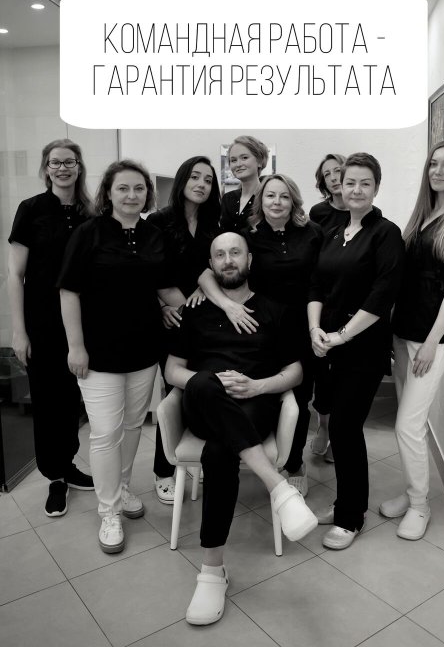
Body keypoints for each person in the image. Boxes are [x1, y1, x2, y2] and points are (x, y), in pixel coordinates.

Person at [166, 232, 318, 626]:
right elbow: (172, 370)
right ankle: (278, 487)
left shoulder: (275, 310)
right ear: (211, 265)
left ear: (249, 259)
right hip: (203, 405)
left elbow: (296, 371)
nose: (228, 260)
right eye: (220, 255)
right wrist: (211, 383)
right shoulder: (195, 311)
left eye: (235, 252)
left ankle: (212, 571)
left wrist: (257, 386)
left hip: (255, 406)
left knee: (220, 450)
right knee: (203, 382)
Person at [58, 159, 173, 554]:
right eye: (123, 188)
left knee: (132, 426)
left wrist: (215, 306)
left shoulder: (153, 234)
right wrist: (76, 346)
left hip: (143, 350)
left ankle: (122, 488)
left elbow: (164, 287)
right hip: (98, 353)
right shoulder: (88, 233)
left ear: (148, 194)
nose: (131, 195)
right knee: (105, 432)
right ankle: (108, 511)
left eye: (139, 188)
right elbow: (69, 292)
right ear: (108, 192)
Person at [380, 139, 444, 540]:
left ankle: (420, 505)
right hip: (403, 330)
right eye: (433, 164)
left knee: (408, 424)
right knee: (408, 424)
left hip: (433, 337)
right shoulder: (422, 215)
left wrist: (431, 342)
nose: (437, 172)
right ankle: (411, 494)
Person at [200, 174, 323, 497]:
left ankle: (293, 464)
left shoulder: (312, 233)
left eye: (284, 196)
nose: (277, 202)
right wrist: (226, 304)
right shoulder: (248, 236)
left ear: (293, 200)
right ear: (260, 201)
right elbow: (208, 273)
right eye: (270, 196)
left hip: (303, 325)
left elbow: (320, 280)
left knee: (299, 398)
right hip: (259, 324)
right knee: (258, 389)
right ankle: (244, 451)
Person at [308, 152, 405, 550]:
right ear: (340, 186)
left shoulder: (386, 233)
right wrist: (315, 329)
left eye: (365, 183)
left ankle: (351, 517)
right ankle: (343, 504)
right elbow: (316, 284)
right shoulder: (333, 232)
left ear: (376, 188)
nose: (357, 189)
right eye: (350, 182)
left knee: (346, 429)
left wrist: (342, 336)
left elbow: (383, 294)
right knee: (337, 427)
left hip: (362, 349)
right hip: (327, 345)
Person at [7, 139, 94, 517]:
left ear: (79, 167)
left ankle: (68, 464)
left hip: (86, 323)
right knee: (47, 402)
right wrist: (19, 331)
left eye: (69, 162)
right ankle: (55, 477)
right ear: (45, 168)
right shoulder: (31, 210)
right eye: (55, 162)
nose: (62, 168)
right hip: (42, 323)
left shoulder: (91, 212)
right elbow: (15, 275)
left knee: (73, 401)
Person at [147, 156, 221, 504]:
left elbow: (214, 271)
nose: (201, 184)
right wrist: (167, 307)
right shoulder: (159, 221)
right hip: (175, 319)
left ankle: (195, 458)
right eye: (195, 177)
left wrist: (203, 297)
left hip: (204, 319)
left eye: (208, 179)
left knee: (201, 387)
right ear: (182, 180)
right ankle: (164, 471)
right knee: (173, 394)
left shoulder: (211, 224)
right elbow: (151, 273)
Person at [308, 154, 348, 458]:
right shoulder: (318, 213)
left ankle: (340, 432)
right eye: (328, 174)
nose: (334, 177)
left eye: (338, 171)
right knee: (321, 368)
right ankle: (323, 425)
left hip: (351, 302)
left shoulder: (369, 213)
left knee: (344, 372)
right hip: (322, 298)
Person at [220, 135, 269, 232]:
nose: (238, 164)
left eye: (244, 158)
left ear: (259, 161)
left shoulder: (269, 198)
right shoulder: (227, 198)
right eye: (233, 160)